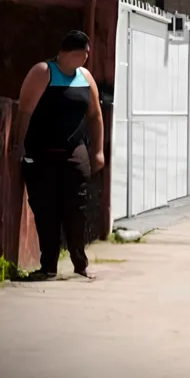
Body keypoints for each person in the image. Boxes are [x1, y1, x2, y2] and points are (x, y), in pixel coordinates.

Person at [10, 30, 105, 280]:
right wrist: (19, 145)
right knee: (45, 210)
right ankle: (48, 266)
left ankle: (80, 264)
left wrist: (98, 151)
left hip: (75, 154)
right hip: (41, 155)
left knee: (77, 209)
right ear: (69, 53)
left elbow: (95, 115)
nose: (86, 59)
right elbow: (25, 112)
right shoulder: (43, 72)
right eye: (83, 54)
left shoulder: (85, 77)